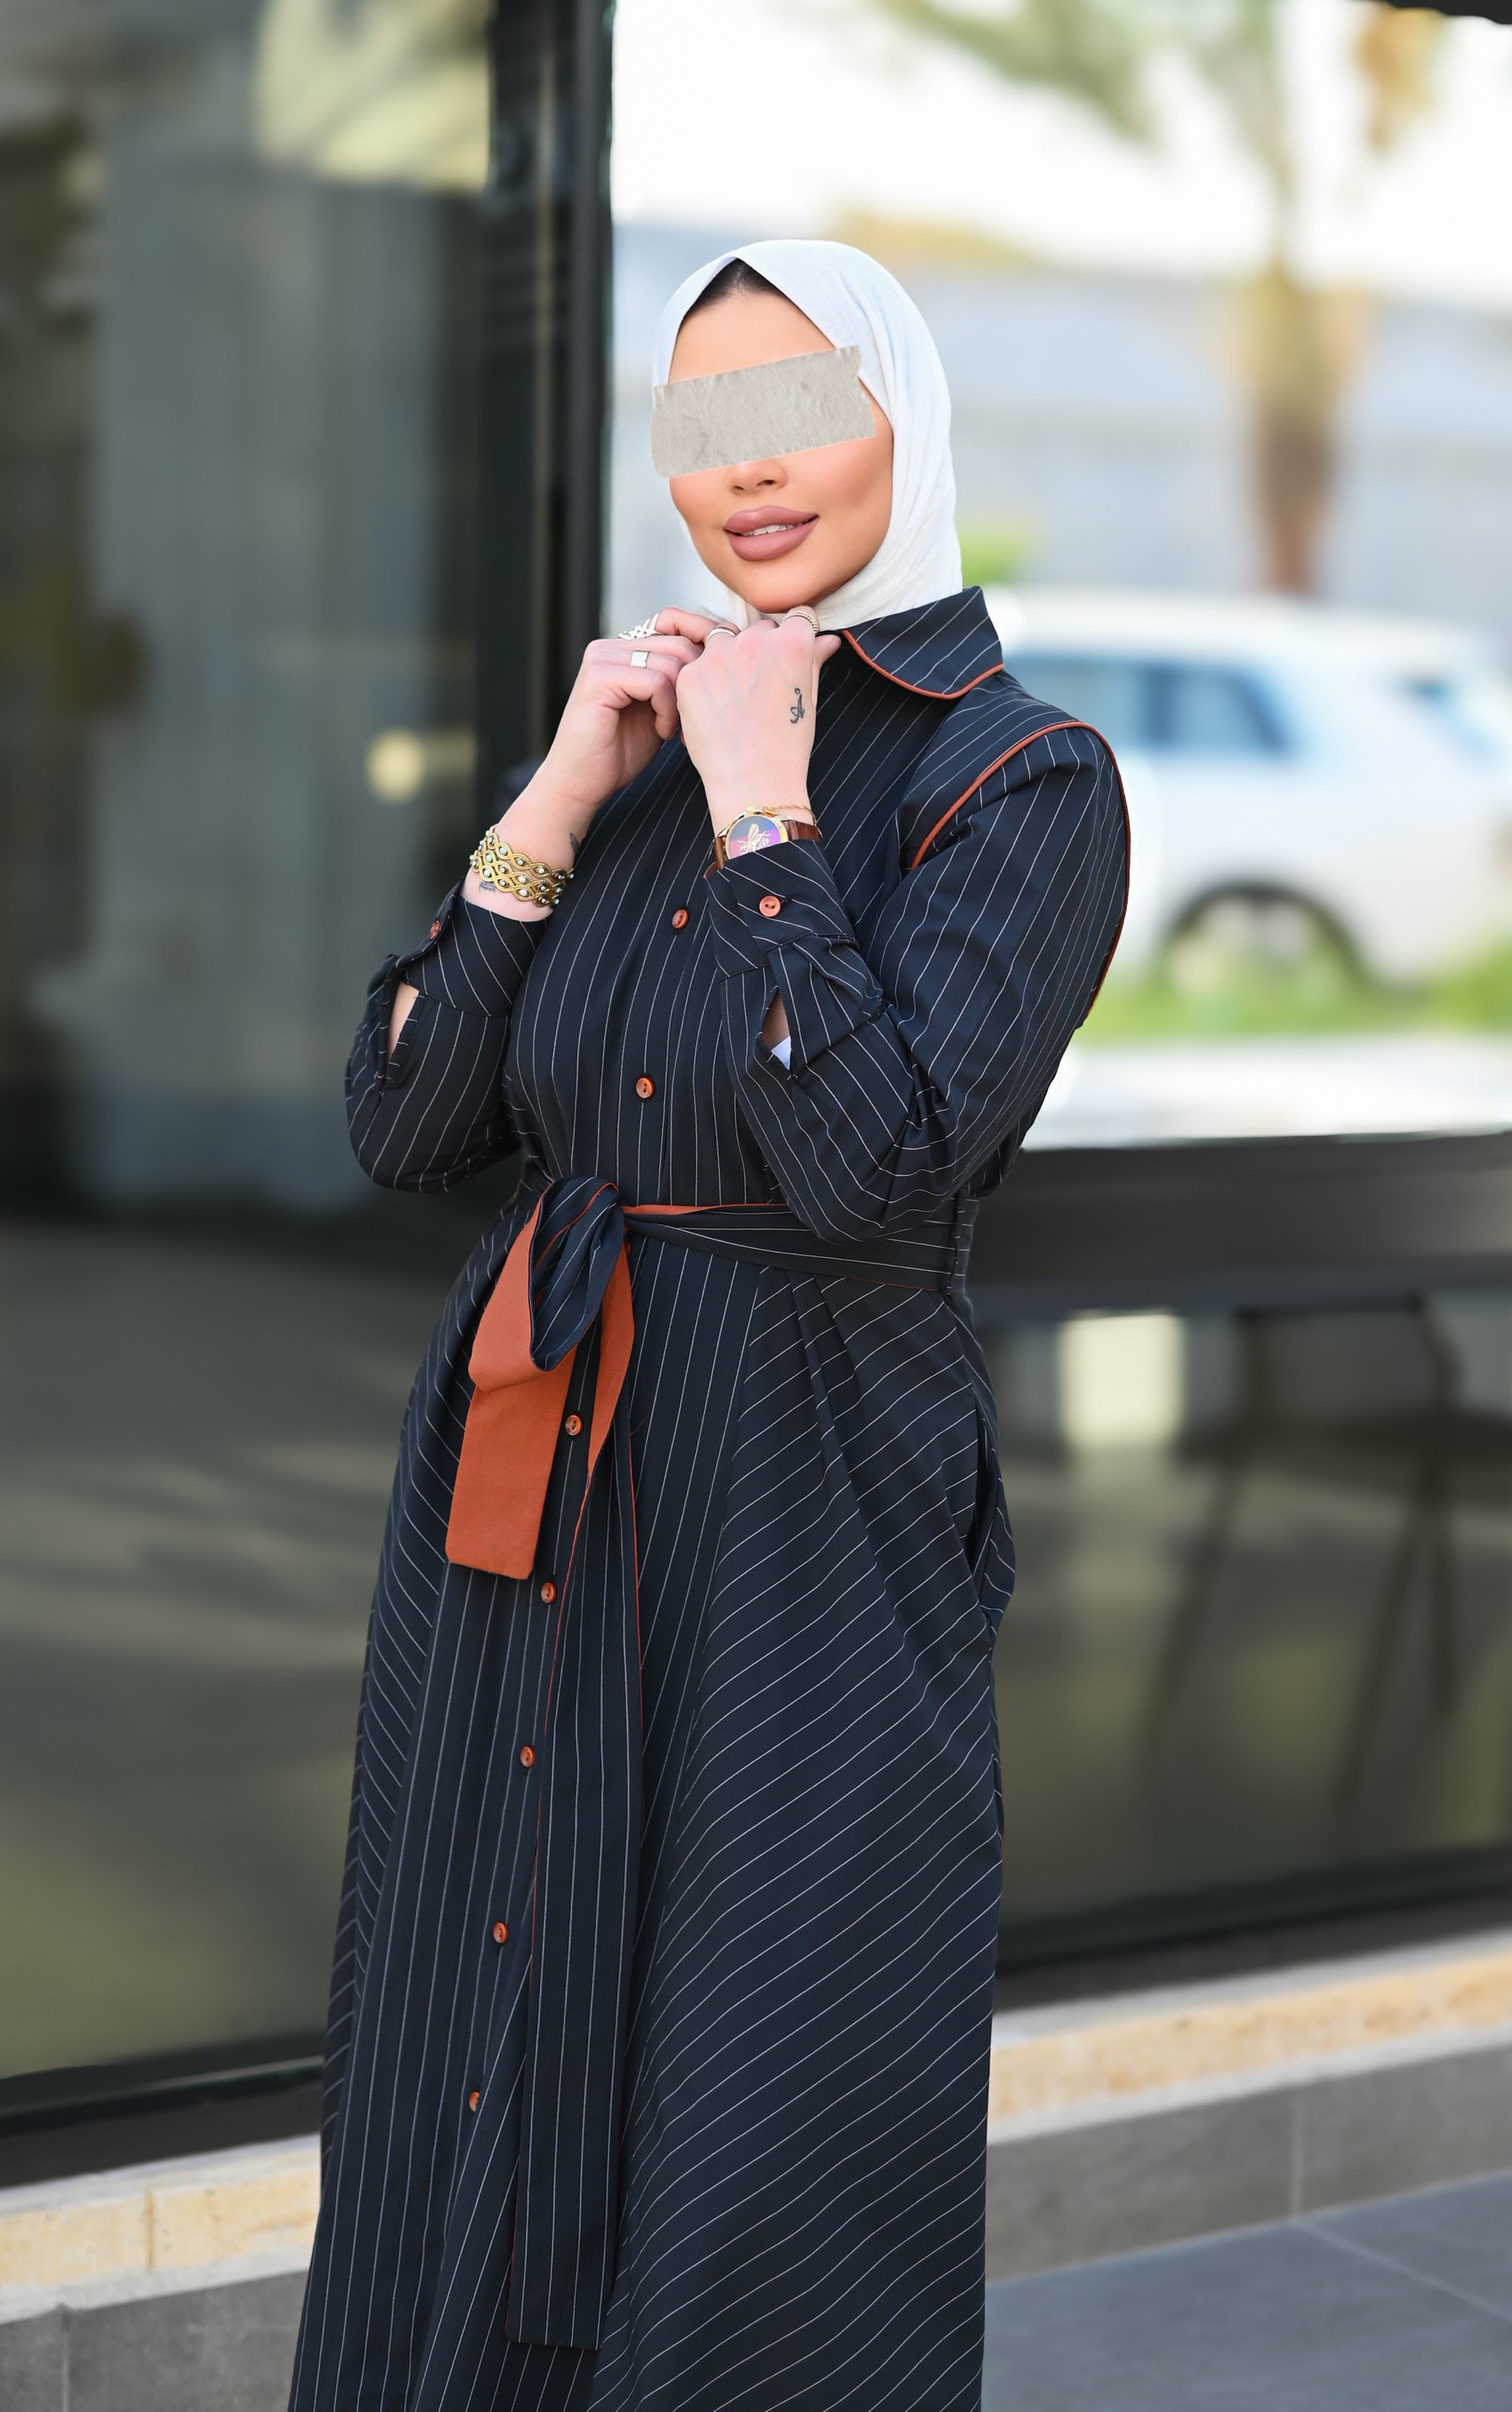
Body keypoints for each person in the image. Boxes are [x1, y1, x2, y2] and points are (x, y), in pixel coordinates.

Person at [287, 241, 1128, 2412]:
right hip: (538, 1469)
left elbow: (876, 1170)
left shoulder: (1017, 784)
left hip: (806, 1502)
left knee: (772, 2060)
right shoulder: (644, 743)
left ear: (905, 427)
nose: (746, 479)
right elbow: (407, 1117)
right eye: (701, 433)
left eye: (797, 413)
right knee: (489, 2011)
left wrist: (768, 809)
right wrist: (565, 793)